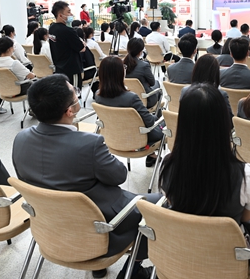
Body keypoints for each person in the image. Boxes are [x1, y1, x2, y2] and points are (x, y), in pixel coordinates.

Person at [13, 74, 160, 279]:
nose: (77, 93)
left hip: (51, 226)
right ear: (70, 110)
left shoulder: (20, 139)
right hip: (103, 226)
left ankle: (98, 265)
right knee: (159, 204)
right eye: (75, 93)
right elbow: (119, 175)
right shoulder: (88, 144)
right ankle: (133, 270)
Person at [159, 83, 250, 227]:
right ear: (223, 123)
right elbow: (247, 217)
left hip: (182, 239)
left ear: (182, 123)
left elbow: (172, 203)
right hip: (225, 241)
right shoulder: (246, 176)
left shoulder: (167, 166)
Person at [95, 56, 164, 159]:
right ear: (119, 73)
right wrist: (156, 117)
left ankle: (152, 156)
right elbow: (150, 122)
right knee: (165, 121)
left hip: (114, 138)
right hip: (138, 140)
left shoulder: (98, 96)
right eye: (123, 67)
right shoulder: (131, 97)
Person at [48, 1, 86, 89]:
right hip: (72, 69)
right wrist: (82, 43)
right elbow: (82, 48)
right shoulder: (68, 31)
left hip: (59, 68)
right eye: (68, 12)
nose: (71, 14)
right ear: (60, 15)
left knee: (64, 93)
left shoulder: (52, 28)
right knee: (75, 93)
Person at [124, 38, 161, 109]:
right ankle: (157, 114)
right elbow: (152, 83)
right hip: (145, 100)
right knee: (157, 83)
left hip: (127, 99)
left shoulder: (121, 64)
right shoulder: (144, 65)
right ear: (141, 51)